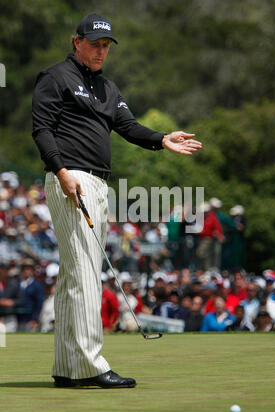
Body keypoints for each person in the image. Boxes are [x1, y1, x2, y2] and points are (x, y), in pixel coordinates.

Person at [32, 13, 202, 389]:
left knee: (74, 274)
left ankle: (68, 367)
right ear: (76, 41)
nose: (100, 51)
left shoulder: (107, 88)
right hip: (71, 177)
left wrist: (162, 139)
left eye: (106, 46)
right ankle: (91, 365)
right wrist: (61, 173)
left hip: (98, 184)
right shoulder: (55, 77)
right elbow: (41, 128)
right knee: (87, 274)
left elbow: (128, 127)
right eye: (94, 43)